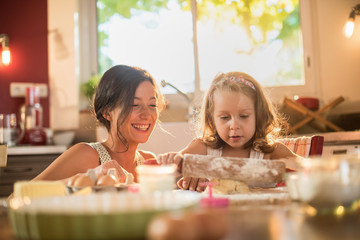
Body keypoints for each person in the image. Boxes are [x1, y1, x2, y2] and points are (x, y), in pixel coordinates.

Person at [158, 71, 301, 192]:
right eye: (225, 117)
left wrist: (289, 172)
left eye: (244, 116)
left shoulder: (271, 152)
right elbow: (171, 170)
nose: (234, 125)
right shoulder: (202, 149)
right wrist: (172, 162)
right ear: (212, 118)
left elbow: (310, 170)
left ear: (259, 115)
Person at [33, 65, 166, 183]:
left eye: (152, 105)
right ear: (107, 112)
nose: (146, 114)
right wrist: (91, 176)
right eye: (134, 105)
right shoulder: (86, 155)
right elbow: (15, 198)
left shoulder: (148, 161)